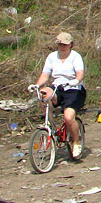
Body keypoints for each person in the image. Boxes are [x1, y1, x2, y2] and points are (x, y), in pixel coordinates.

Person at [35, 31, 86, 159]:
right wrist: (37, 85)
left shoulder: (75, 56)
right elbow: (45, 74)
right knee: (43, 94)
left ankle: (76, 142)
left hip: (74, 89)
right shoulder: (52, 57)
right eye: (59, 44)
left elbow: (80, 73)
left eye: (65, 44)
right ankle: (50, 125)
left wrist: (75, 80)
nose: (62, 46)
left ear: (70, 45)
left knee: (68, 117)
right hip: (58, 87)